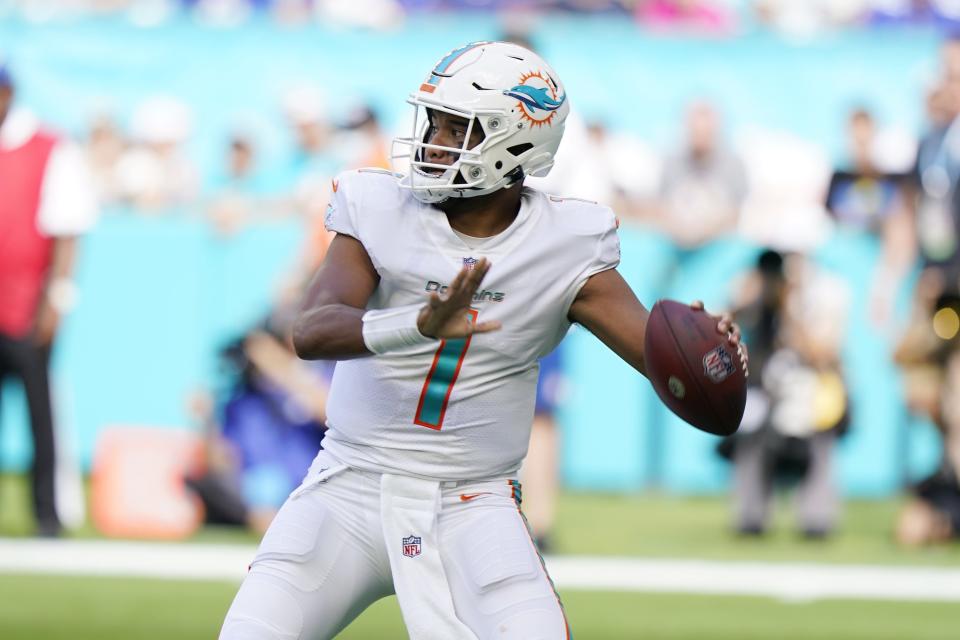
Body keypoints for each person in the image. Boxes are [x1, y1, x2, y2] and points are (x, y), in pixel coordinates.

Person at [219, 41, 746, 640]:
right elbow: (310, 331)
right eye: (433, 122)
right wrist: (415, 325)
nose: (431, 141)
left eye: (455, 127)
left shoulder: (568, 243)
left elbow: (665, 361)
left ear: (514, 142)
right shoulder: (376, 205)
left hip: (475, 506)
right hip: (348, 487)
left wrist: (711, 354)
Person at [0, 59, 98, 537]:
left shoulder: (49, 147)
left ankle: (47, 514)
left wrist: (56, 299)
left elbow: (67, 229)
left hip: (25, 305)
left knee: (40, 412)